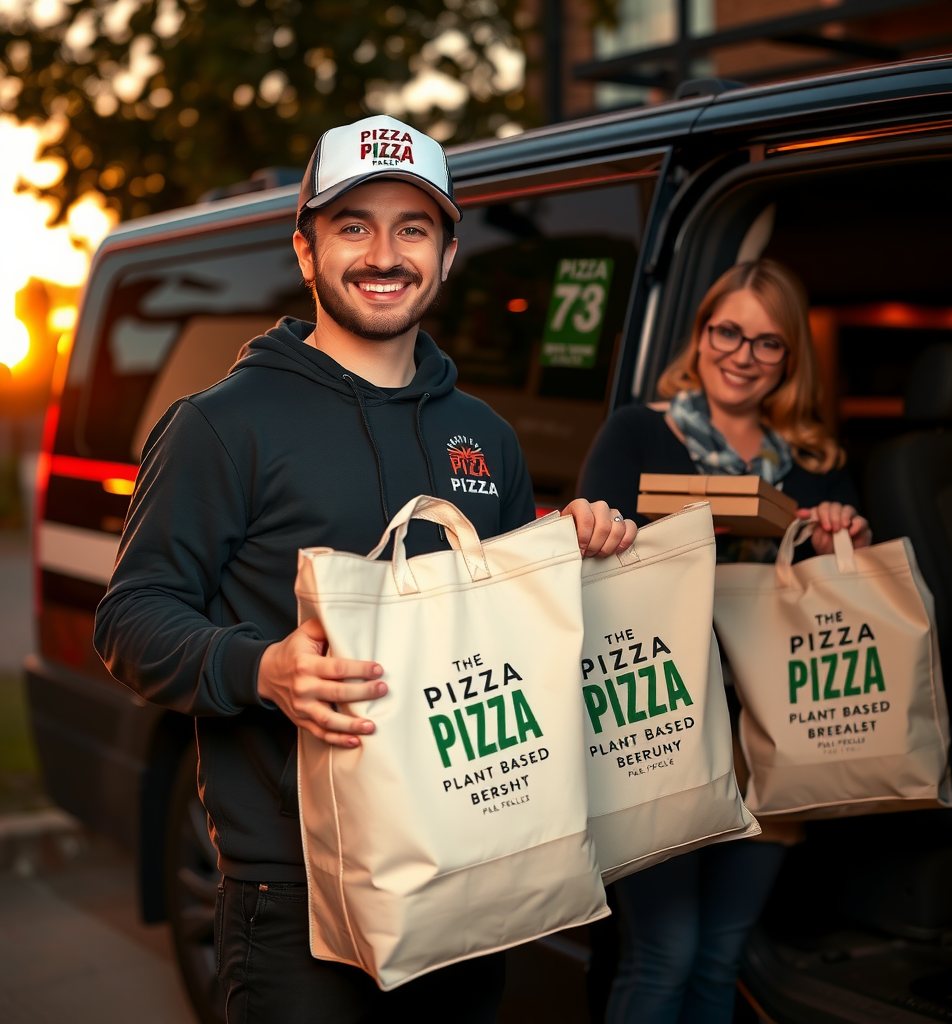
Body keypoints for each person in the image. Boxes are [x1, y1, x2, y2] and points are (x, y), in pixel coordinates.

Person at [94, 115, 637, 1024]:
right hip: (296, 896)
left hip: (464, 867)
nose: (384, 254)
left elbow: (503, 624)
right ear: (306, 250)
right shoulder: (221, 426)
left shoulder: (486, 437)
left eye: (412, 228)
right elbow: (131, 616)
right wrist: (261, 668)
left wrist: (571, 550)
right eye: (354, 226)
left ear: (448, 254)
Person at [579, 258, 871, 1023]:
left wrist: (848, 536)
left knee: (720, 956)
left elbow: (844, 607)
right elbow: (589, 567)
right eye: (728, 332)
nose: (742, 355)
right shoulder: (639, 431)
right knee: (664, 954)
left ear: (790, 358)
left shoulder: (816, 461)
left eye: (767, 343)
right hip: (660, 720)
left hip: (774, 728)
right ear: (702, 335)